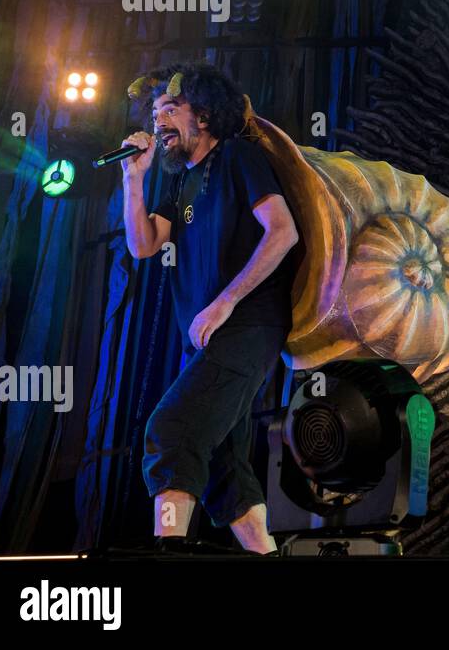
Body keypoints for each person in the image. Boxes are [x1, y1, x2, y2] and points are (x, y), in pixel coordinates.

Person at [120, 63, 299, 554]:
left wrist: (224, 303)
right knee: (223, 464)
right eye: (154, 113)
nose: (159, 121)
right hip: (205, 339)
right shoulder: (180, 181)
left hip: (246, 326)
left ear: (202, 113)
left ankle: (169, 552)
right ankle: (266, 555)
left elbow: (283, 231)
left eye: (170, 109)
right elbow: (143, 245)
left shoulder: (238, 157)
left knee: (170, 431)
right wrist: (134, 179)